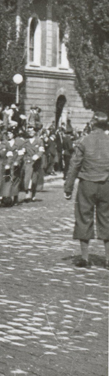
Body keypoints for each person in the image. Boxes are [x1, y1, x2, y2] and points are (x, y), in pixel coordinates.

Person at [65, 111, 109, 267]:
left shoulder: (83, 141)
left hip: (87, 184)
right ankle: (108, 259)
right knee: (107, 218)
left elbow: (74, 164)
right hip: (106, 184)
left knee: (84, 217)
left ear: (92, 123)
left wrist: (68, 187)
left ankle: (85, 258)